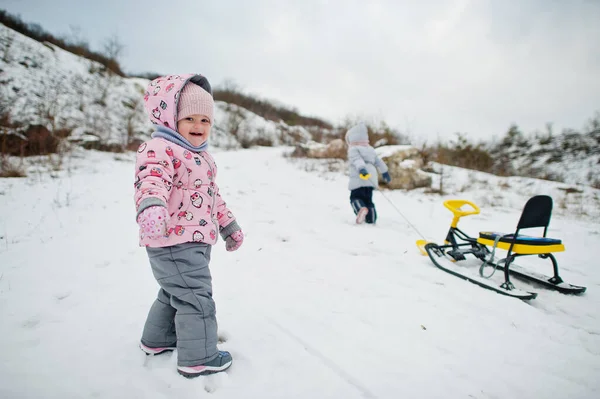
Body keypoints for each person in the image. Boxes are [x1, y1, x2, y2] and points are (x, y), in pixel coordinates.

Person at [133, 73, 243, 378]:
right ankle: (200, 357)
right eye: (190, 118)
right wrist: (151, 206)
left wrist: (228, 225)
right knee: (197, 298)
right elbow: (151, 179)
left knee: (174, 292)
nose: (198, 126)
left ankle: (157, 340)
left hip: (191, 243)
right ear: (171, 119)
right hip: (171, 240)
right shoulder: (160, 149)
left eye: (205, 120)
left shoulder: (201, 158)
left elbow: (212, 197)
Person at [345, 122, 391, 224]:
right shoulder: (370, 149)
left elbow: (357, 160)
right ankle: (371, 217)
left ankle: (360, 209)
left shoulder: (353, 149)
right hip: (371, 178)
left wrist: (362, 169)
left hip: (360, 176)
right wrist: (385, 172)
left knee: (355, 197)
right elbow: (378, 161)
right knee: (368, 199)